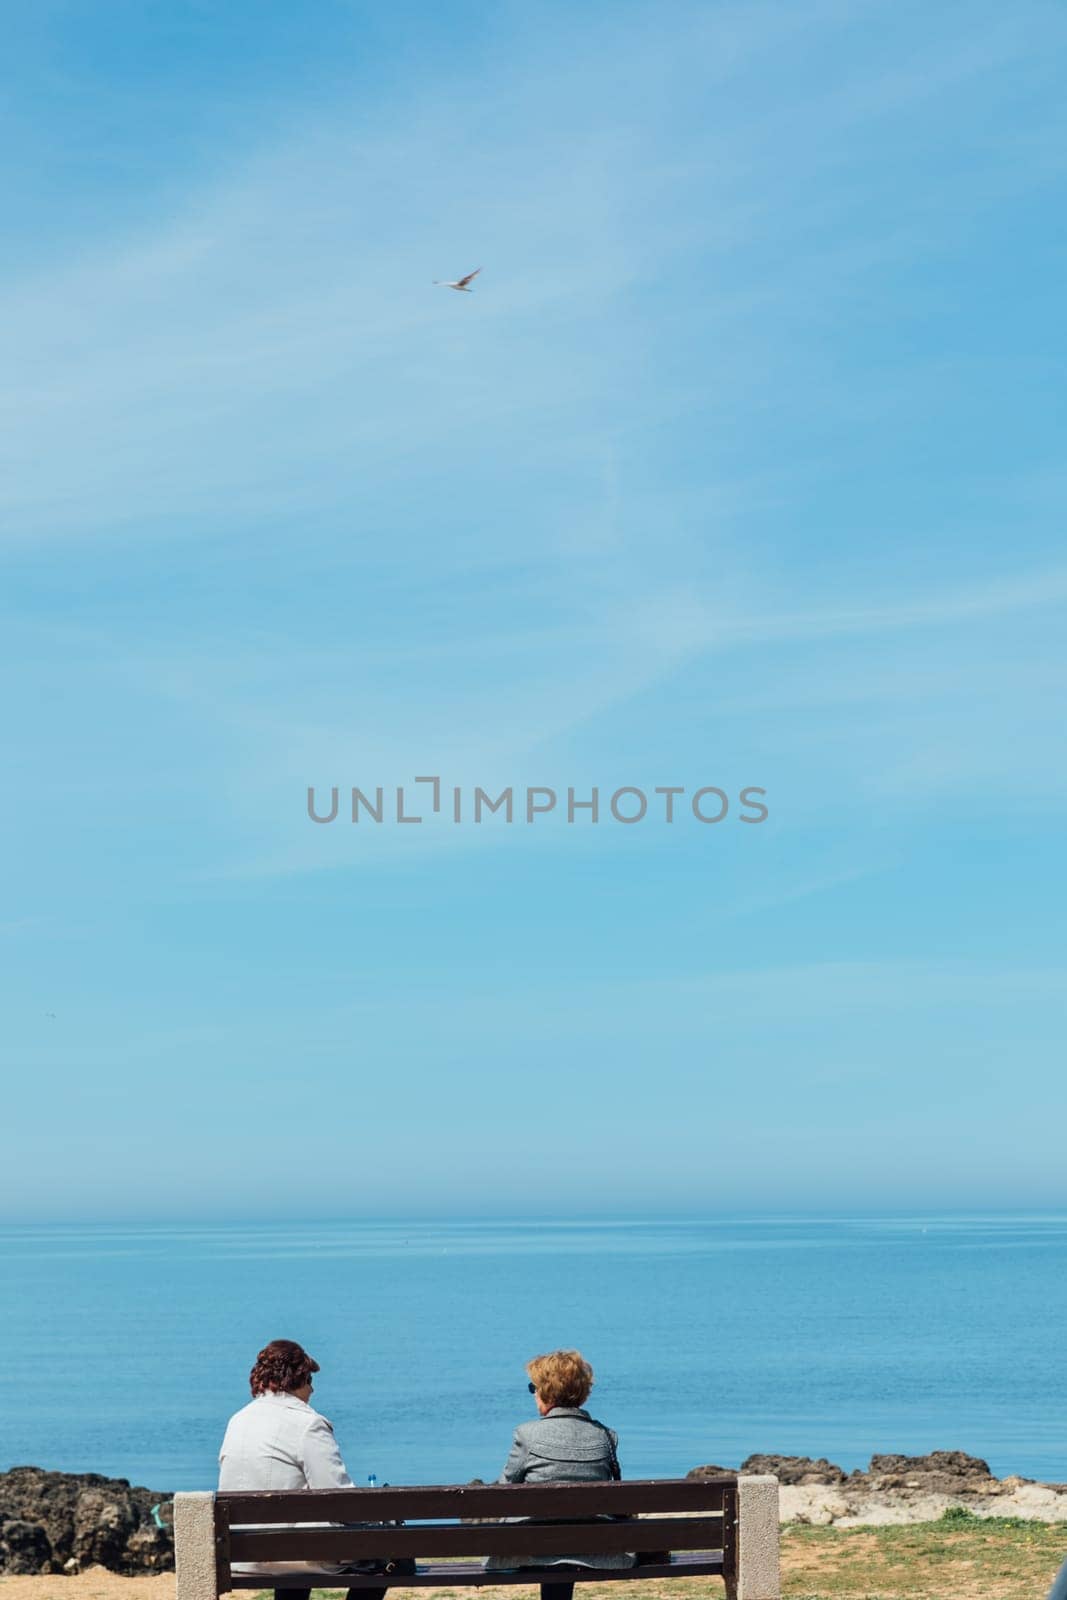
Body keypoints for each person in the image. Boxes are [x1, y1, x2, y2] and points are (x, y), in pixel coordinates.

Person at [218, 1338, 385, 1600]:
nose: (312, 1390)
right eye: (309, 1381)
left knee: (294, 1541)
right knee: (391, 1550)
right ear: (296, 1380)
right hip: (295, 1553)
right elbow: (339, 1499)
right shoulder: (308, 1424)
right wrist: (373, 1522)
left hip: (243, 1555)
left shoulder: (237, 1421)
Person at [487, 1349, 634, 1600]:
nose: (534, 1395)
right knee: (568, 1536)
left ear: (545, 1392)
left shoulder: (526, 1434)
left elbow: (503, 1493)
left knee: (551, 1539)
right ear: (583, 1394)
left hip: (533, 1548)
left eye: (534, 1388)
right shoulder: (607, 1437)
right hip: (594, 1548)